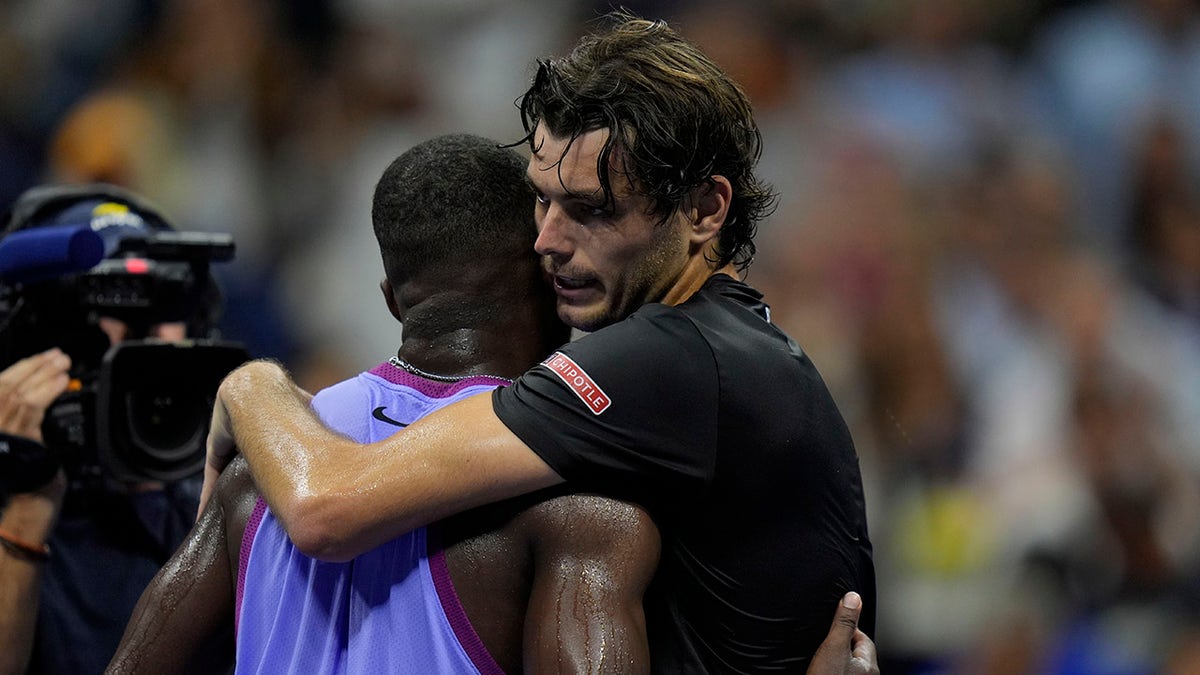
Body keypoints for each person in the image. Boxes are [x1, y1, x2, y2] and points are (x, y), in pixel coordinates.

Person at [204, 11, 876, 671]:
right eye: (542, 199)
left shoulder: (664, 361)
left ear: (704, 209)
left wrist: (249, 385)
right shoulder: (733, 350)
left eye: (591, 209)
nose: (547, 241)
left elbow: (326, 506)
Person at [0, 182, 239, 674]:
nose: (147, 339)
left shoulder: (219, 506)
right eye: (117, 308)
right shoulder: (15, 503)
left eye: (163, 309)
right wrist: (24, 510)